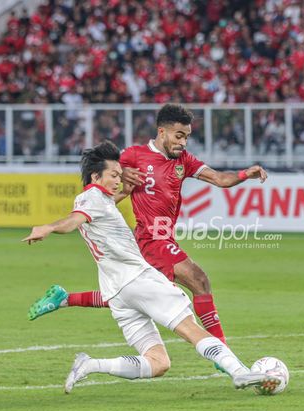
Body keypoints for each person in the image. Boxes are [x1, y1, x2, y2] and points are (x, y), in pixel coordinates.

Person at [22, 141, 281, 394]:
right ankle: (240, 372)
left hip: (117, 294)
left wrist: (123, 190)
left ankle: (90, 364)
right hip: (139, 281)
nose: (118, 180)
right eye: (113, 175)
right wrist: (49, 228)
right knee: (192, 329)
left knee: (158, 363)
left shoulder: (97, 199)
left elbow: (97, 208)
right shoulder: (92, 200)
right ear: (95, 176)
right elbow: (73, 221)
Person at [28, 104, 268, 346]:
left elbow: (218, 179)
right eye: (179, 136)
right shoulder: (134, 155)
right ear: (161, 132)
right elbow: (102, 171)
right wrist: (122, 174)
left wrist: (245, 174)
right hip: (150, 240)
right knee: (199, 280)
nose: (183, 143)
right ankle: (222, 350)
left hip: (162, 239)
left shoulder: (184, 160)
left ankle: (64, 299)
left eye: (186, 137)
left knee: (125, 296)